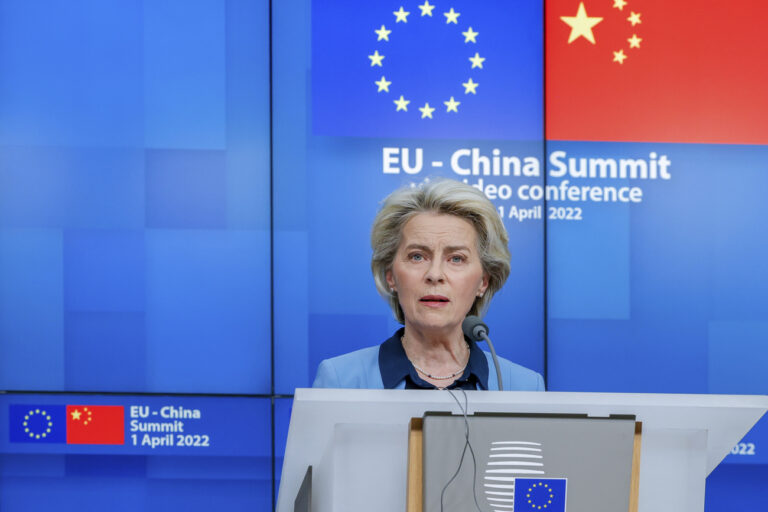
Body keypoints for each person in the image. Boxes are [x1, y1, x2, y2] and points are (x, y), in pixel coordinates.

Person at [313, 179, 544, 391]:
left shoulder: (524, 386)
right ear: (390, 276)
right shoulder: (341, 380)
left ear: (483, 281)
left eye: (456, 258)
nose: (435, 275)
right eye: (417, 256)